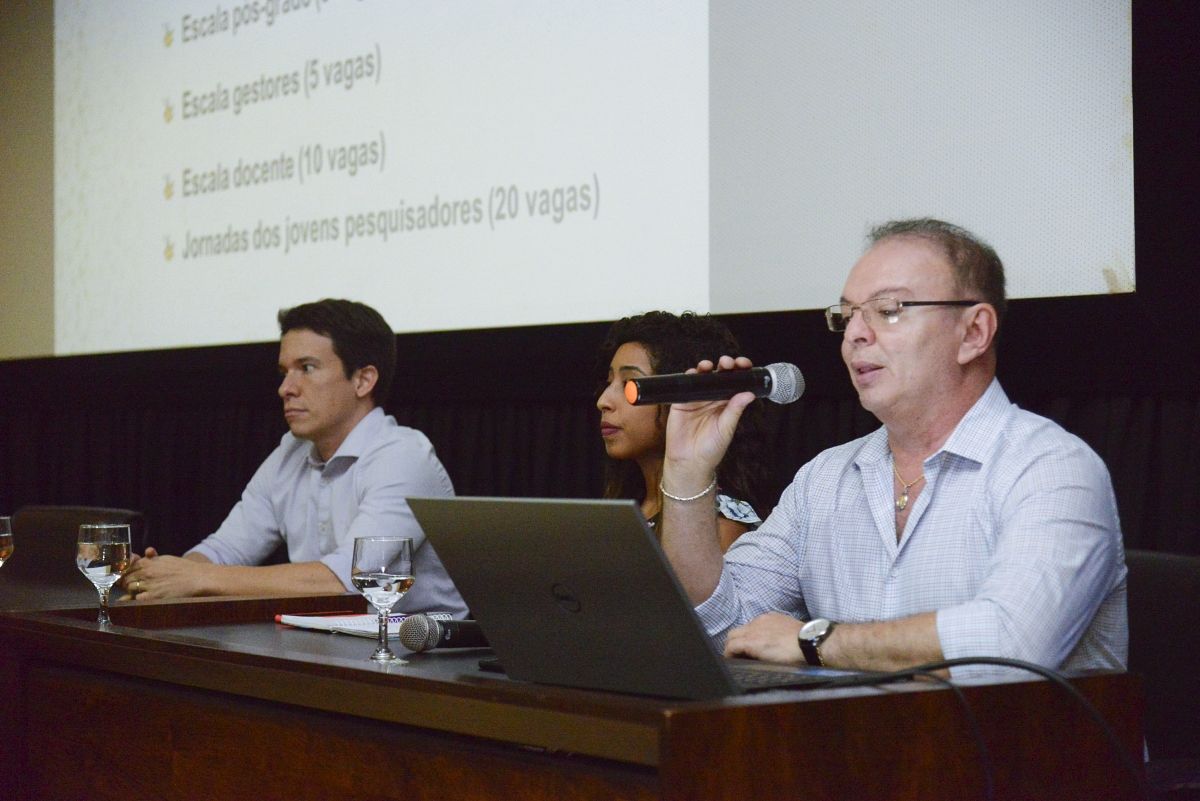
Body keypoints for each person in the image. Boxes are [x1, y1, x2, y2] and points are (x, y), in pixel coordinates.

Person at [658, 219, 1127, 674]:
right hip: (860, 751)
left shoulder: (1051, 467)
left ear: (974, 333)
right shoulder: (824, 479)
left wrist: (817, 640)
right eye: (847, 316)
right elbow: (721, 633)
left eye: (888, 311)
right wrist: (686, 469)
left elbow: (1011, 646)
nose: (855, 335)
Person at [122, 299, 467, 616]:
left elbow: (346, 582)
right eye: (285, 371)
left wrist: (198, 577)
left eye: (307, 368)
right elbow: (225, 551)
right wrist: (165, 576)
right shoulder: (290, 452)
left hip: (418, 659)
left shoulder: (403, 456)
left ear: (363, 380)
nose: (286, 388)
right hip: (323, 646)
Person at [596, 311, 766, 551]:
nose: (603, 401)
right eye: (608, 382)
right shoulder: (625, 508)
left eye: (629, 384)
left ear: (684, 395)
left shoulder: (718, 524)